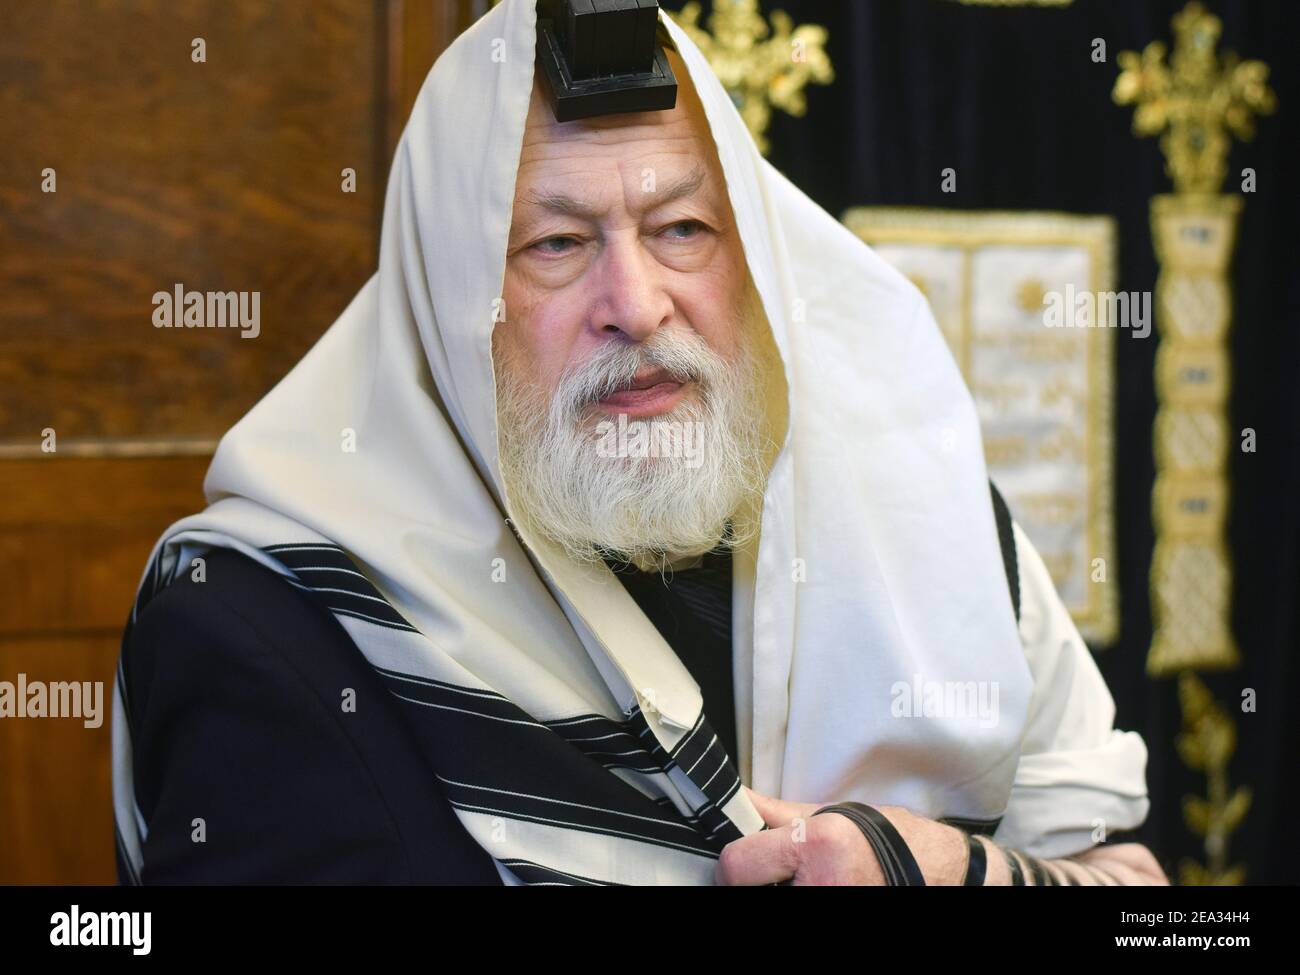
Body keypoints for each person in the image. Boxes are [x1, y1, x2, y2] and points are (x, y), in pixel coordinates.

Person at [112, 0, 1166, 885]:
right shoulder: (261, 624)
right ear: (447, 300)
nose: (637, 302)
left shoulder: (924, 520)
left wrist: (944, 869)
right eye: (557, 245)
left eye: (681, 231)